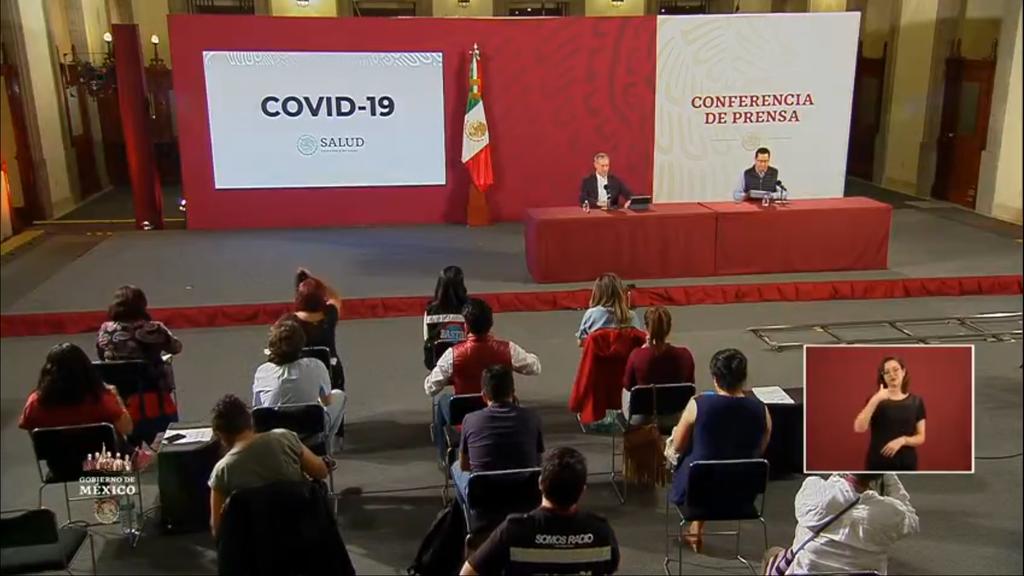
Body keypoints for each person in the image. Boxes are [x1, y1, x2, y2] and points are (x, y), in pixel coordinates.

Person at [667, 348, 771, 551]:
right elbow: (758, 451)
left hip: (696, 494)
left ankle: (695, 527)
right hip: (741, 495)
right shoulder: (762, 410)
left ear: (715, 378)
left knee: (696, 457)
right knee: (720, 458)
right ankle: (696, 528)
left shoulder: (698, 404)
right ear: (743, 377)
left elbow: (677, 446)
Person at [460, 447, 619, 576]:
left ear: (540, 483)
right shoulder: (601, 531)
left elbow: (468, 573)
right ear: (582, 491)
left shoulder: (513, 531)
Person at [425, 298, 541, 460]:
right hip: (503, 408)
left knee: (443, 402)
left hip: (465, 416)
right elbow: (535, 367)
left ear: (466, 326)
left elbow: (430, 388)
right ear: (490, 324)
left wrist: (451, 376)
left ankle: (444, 456)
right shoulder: (508, 349)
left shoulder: (453, 355)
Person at [208, 394, 329, 538]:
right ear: (250, 420)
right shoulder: (285, 438)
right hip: (302, 536)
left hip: (255, 545)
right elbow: (321, 472)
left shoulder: (222, 471)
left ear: (220, 435)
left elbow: (217, 529)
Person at [767, 473, 919, 575]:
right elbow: (911, 520)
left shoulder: (813, 490)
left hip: (808, 571)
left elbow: (836, 492)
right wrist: (889, 475)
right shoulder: (891, 513)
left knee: (772, 554)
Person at [451, 365, 544, 509]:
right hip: (525, 494)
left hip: (485, 495)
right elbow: (537, 461)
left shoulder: (470, 420)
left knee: (456, 467)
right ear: (513, 392)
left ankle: (466, 516)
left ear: (483, 395)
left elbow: (464, 465)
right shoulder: (532, 418)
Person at [253, 318, 347, 452]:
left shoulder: (262, 371)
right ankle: (325, 450)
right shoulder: (316, 365)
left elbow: (258, 407)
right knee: (339, 395)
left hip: (274, 438)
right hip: (309, 434)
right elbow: (327, 402)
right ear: (301, 344)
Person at [19, 343, 133, 439]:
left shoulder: (34, 404)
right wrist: (116, 396)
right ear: (86, 370)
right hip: (98, 457)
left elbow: (35, 439)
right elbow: (127, 429)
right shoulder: (102, 401)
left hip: (56, 459)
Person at [622, 306, 695, 426]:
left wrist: (643, 348)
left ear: (646, 328)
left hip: (643, 418)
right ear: (669, 328)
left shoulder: (636, 355)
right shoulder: (685, 355)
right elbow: (690, 385)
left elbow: (628, 385)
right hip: (674, 416)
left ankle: (626, 422)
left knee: (627, 390)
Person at [854, 356, 926, 471]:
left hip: (907, 464)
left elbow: (921, 437)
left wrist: (903, 440)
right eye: (887, 372)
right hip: (878, 464)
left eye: (895, 370)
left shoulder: (916, 402)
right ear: (883, 377)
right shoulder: (875, 400)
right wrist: (876, 399)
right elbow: (859, 428)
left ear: (903, 372)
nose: (892, 374)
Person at [284, 268, 345, 389]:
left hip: (301, 378)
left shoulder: (288, 321)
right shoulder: (329, 315)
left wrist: (302, 288)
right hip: (331, 376)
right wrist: (316, 283)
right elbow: (335, 298)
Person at [576, 273, 644, 344]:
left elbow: (581, 342)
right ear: (620, 292)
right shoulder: (631, 316)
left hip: (597, 351)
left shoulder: (591, 315)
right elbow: (638, 342)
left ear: (597, 292)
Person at [423, 265, 469, 370]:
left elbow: (427, 338)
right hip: (465, 359)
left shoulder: (431, 309)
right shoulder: (470, 307)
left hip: (438, 362)